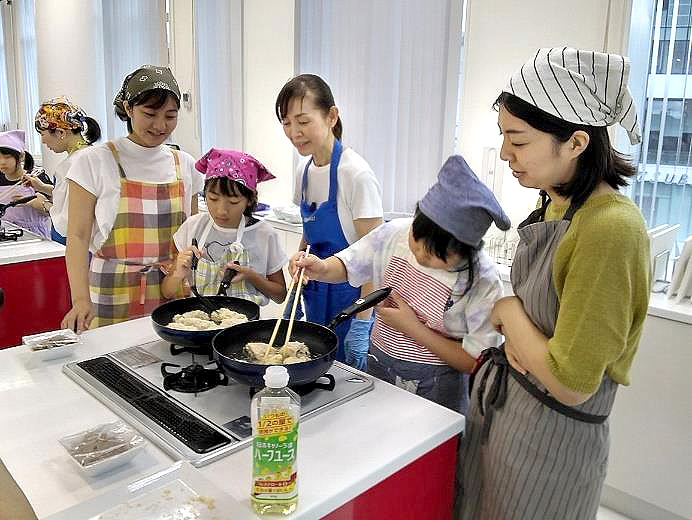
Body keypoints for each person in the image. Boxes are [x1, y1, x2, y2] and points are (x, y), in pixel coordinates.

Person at [456, 48, 651, 520]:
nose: (505, 154)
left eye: (518, 141)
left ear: (577, 143)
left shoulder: (610, 229)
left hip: (554, 441)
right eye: (504, 137)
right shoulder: (555, 204)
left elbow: (570, 381)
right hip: (509, 418)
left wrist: (508, 312)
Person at [289, 156, 508, 412]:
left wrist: (413, 328)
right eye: (417, 237)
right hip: (380, 365)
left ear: (466, 252)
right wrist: (321, 267)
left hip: (437, 387)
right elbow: (350, 264)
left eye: (438, 254)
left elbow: (476, 361)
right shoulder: (395, 233)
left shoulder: (483, 281)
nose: (421, 254)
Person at [61, 65, 204, 333]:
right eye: (150, 114)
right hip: (110, 289)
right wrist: (80, 299)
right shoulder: (93, 161)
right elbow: (77, 236)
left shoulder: (184, 164)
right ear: (128, 109)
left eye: (170, 116)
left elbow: (191, 237)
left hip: (171, 287)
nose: (161, 125)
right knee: (111, 368)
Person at [275, 74, 384, 370]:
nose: (294, 132)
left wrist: (363, 325)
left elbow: (375, 258)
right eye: (286, 123)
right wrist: (297, 265)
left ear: (331, 116)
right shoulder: (305, 170)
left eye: (303, 121)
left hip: (352, 301)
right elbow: (309, 235)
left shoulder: (356, 175)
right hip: (316, 294)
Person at [161, 149, 287, 305]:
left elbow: (280, 295)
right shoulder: (193, 227)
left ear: (250, 199)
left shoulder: (264, 234)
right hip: (200, 321)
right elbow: (167, 292)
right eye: (213, 199)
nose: (221, 211)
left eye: (233, 202)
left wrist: (250, 275)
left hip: (246, 325)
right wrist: (177, 272)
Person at [30, 97, 101, 244]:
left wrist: (45, 205)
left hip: (79, 245)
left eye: (43, 134)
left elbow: (66, 222)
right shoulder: (94, 156)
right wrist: (42, 187)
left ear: (61, 132)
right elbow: (78, 194)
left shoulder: (70, 166)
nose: (43, 141)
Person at [0, 130, 51, 239]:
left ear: (21, 156)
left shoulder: (36, 179)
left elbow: (52, 210)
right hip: (6, 234)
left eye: (7, 156)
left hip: (36, 237)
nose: (2, 162)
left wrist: (31, 202)